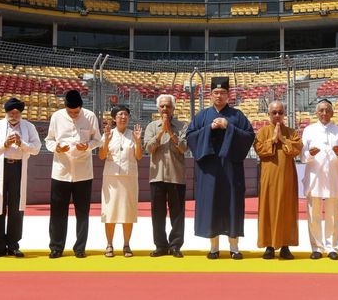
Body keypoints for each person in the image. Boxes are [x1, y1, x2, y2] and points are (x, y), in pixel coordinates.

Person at [186, 76, 255, 260]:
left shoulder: (237, 116)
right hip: (209, 169)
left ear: (228, 95)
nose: (219, 96)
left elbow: (249, 136)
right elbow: (190, 136)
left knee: (232, 203)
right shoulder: (202, 116)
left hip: (231, 168)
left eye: (223, 92)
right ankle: (214, 247)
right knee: (211, 204)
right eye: (216, 92)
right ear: (210, 94)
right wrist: (209, 128)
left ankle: (234, 247)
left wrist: (228, 127)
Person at [45, 90, 101, 259]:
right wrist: (56, 147)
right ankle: (56, 247)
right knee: (57, 212)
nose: (74, 114)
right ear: (65, 107)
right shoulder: (56, 117)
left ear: (81, 107)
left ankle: (80, 248)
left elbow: (97, 139)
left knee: (82, 212)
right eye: (70, 112)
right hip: (61, 171)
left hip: (83, 172)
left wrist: (89, 146)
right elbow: (49, 140)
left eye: (76, 112)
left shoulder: (90, 116)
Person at [0, 97, 41, 258]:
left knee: (17, 207)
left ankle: (14, 244)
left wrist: (21, 143)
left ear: (21, 113)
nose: (14, 115)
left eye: (17, 112)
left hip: (19, 168)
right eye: (11, 112)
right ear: (6, 112)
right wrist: (5, 145)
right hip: (1, 167)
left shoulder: (29, 127)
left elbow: (36, 148)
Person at [301, 99, 338, 261]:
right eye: (321, 110)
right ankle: (316, 247)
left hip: (333, 177)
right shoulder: (308, 130)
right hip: (314, 177)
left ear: (332, 112)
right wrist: (310, 154)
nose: (324, 113)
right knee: (313, 214)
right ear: (316, 112)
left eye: (327, 110)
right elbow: (302, 157)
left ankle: (331, 247)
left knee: (333, 214)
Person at [254, 100, 302, 260]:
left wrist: (282, 139)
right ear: (269, 114)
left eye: (280, 113)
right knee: (268, 208)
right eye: (274, 113)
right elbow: (259, 150)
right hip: (269, 178)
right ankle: (269, 245)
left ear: (284, 114)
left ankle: (285, 245)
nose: (277, 116)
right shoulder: (262, 132)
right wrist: (272, 140)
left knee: (286, 209)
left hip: (287, 177)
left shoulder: (291, 132)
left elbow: (296, 149)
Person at [144, 95, 188, 258]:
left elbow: (184, 148)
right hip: (157, 176)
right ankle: (160, 245)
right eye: (162, 106)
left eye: (168, 106)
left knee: (177, 213)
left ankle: (175, 245)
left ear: (173, 109)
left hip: (176, 176)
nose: (165, 109)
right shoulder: (151, 126)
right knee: (157, 213)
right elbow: (149, 148)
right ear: (158, 108)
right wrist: (162, 130)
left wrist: (170, 131)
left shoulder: (183, 126)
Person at [98, 105, 142, 258]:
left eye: (125, 115)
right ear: (114, 118)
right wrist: (106, 141)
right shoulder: (108, 134)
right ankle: (109, 244)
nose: (123, 117)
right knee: (110, 211)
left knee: (127, 211)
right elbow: (101, 156)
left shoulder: (133, 134)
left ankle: (126, 244)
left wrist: (138, 141)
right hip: (111, 179)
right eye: (120, 115)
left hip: (129, 178)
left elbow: (138, 156)